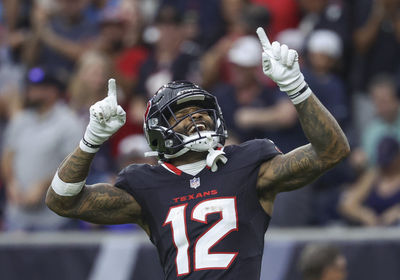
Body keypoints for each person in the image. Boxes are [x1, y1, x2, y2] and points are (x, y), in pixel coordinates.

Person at [45, 28, 350, 279]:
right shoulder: (145, 184)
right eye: (181, 114)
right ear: (158, 132)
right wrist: (91, 140)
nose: (197, 118)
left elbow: (331, 151)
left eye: (201, 111)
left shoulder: (247, 163)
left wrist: (296, 86)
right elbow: (61, 200)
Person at [1, 67, 83, 231]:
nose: (31, 93)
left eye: (38, 89)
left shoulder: (68, 122)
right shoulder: (21, 120)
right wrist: (11, 183)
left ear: (52, 91)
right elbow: (8, 156)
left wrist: (44, 185)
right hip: (18, 215)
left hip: (53, 218)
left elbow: (75, 167)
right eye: (30, 88)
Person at [339, 136, 400, 226]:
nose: (387, 166)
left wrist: (396, 212)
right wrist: (365, 215)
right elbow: (347, 205)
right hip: (374, 232)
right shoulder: (373, 176)